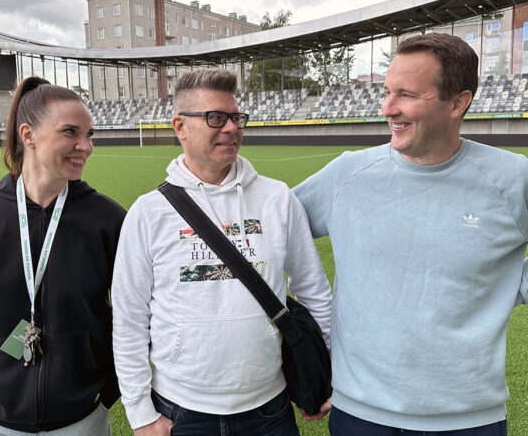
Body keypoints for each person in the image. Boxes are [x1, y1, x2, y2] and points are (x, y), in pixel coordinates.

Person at [293, 33, 528, 435]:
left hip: (468, 419)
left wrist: (510, 286)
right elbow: (267, 229)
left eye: (406, 94)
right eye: (387, 92)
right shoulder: (348, 174)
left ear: (458, 102)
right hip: (358, 415)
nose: (388, 108)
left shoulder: (512, 179)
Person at [111, 68, 333, 436]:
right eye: (215, 117)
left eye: (236, 117)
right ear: (180, 126)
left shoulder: (278, 198)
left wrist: (328, 372)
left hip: (269, 410)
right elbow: (129, 318)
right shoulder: (148, 212)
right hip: (182, 411)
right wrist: (139, 411)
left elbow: (313, 290)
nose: (231, 128)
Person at [0, 76, 126, 435]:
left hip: (82, 419)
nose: (85, 146)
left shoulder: (108, 221)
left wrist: (105, 390)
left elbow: (139, 317)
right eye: (70, 132)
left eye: (90, 134)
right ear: (28, 135)